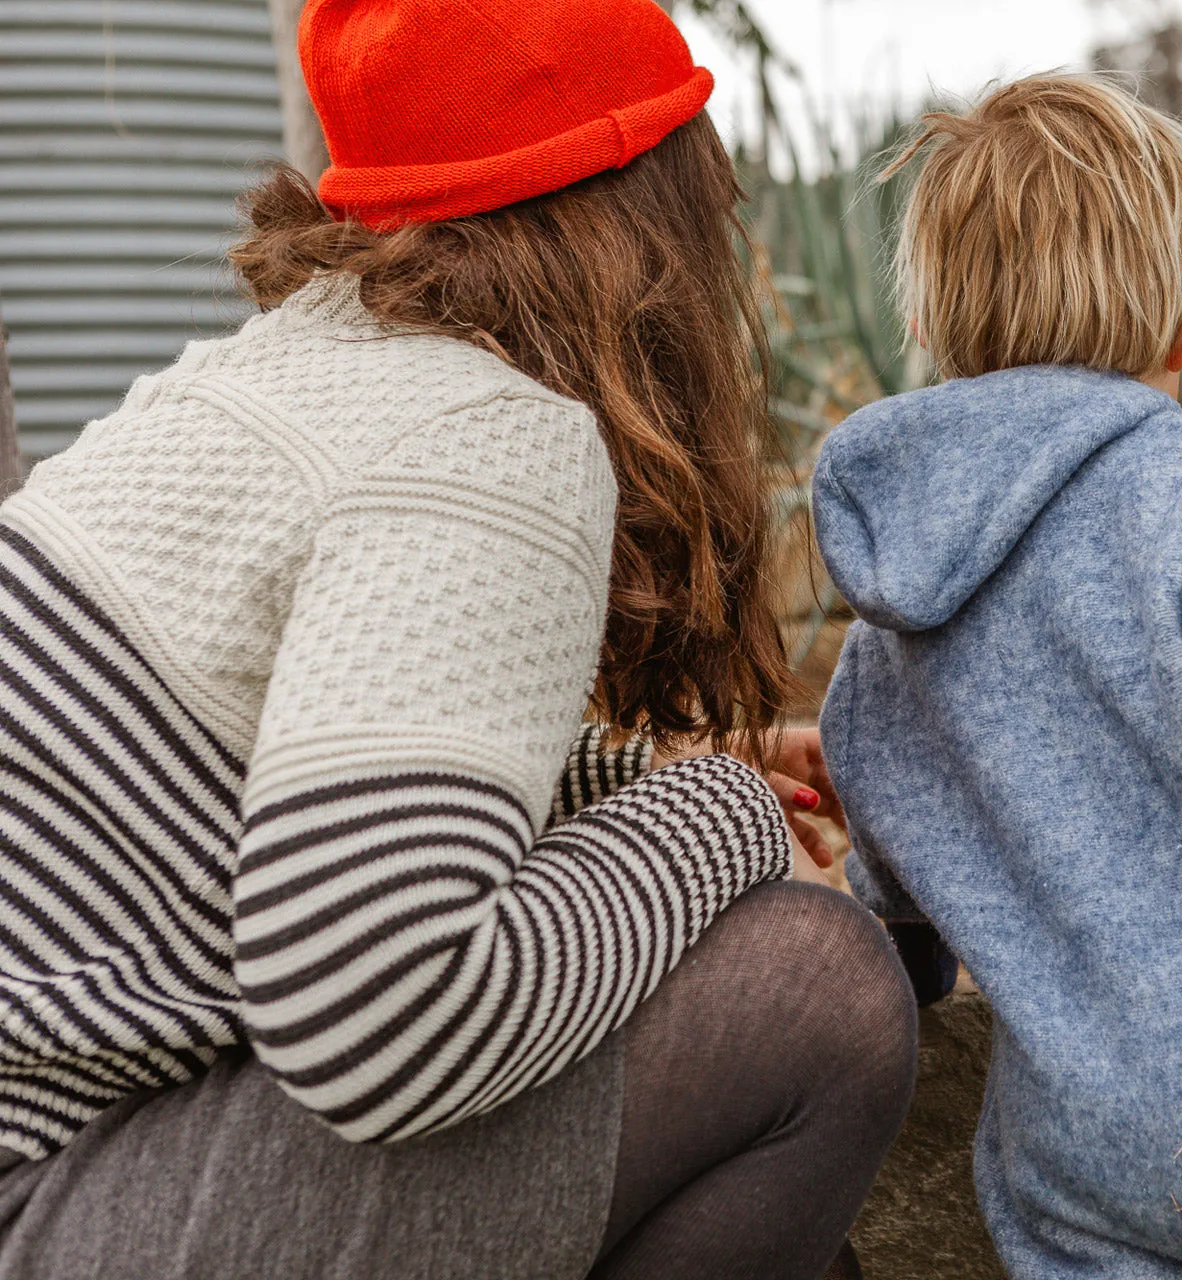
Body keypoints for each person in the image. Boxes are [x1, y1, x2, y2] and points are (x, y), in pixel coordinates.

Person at [0, 1, 917, 1276]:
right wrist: (718, 815)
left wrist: (632, 783)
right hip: (48, 1207)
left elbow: (294, 772)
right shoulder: (488, 435)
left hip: (63, 1152)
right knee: (814, 987)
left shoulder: (282, 373)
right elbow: (376, 1012)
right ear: (647, 207)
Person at [813, 72, 1182, 1278]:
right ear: (1181, 318)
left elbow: (897, 928)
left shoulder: (886, 624)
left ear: (933, 329)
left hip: (1088, 1168)